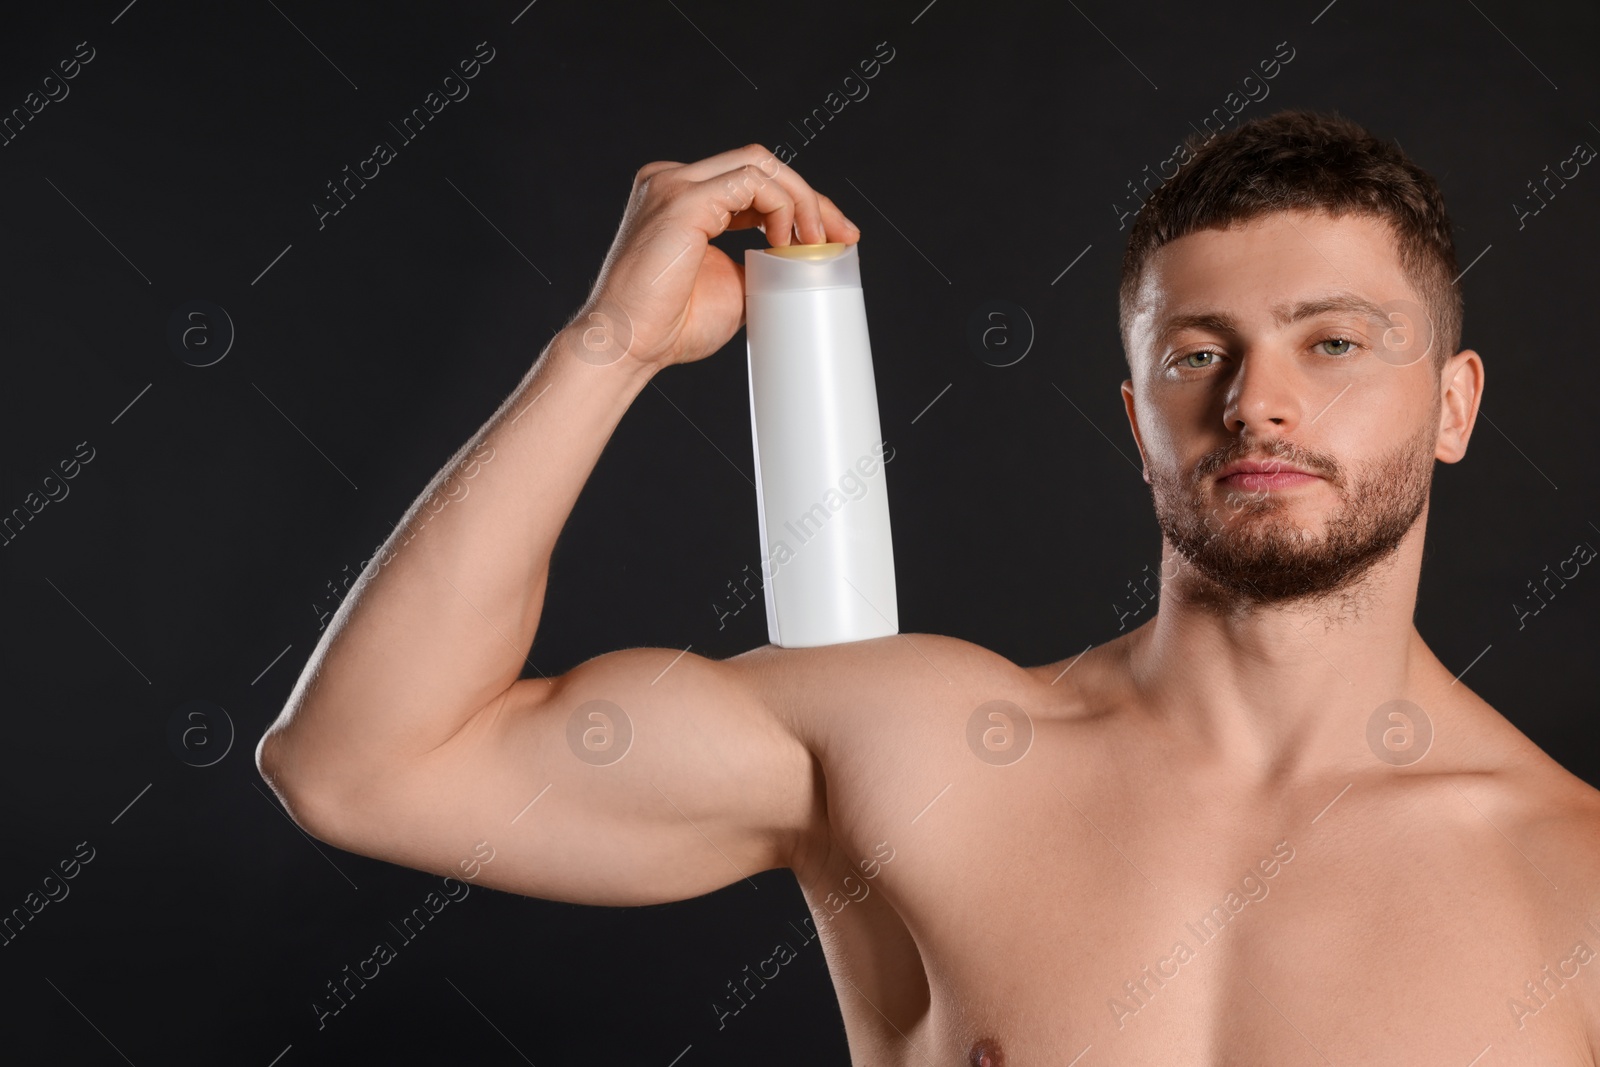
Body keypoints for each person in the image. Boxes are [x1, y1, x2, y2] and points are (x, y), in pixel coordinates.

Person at [257, 110, 1600, 1064]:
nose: (1262, 404)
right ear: (1138, 419)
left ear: (1452, 406)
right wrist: (609, 345)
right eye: (1201, 353)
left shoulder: (1576, 884)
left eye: (1335, 342)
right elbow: (364, 765)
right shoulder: (923, 750)